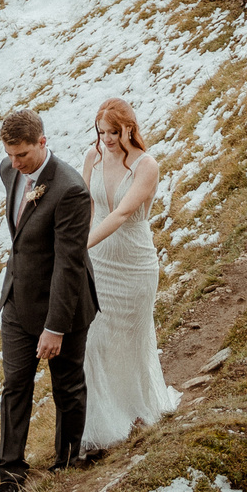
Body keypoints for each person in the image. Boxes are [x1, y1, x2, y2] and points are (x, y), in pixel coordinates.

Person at [0, 107, 99, 492]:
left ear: (43, 142)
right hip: (18, 302)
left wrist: (54, 327)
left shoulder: (70, 189)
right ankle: (10, 476)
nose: (15, 164)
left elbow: (69, 265)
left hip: (63, 305)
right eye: (10, 155)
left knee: (66, 384)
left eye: (23, 156)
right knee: (15, 385)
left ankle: (66, 464)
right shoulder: (9, 171)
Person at [79, 97, 178, 451]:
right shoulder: (92, 156)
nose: (105, 139)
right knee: (94, 341)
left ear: (129, 128)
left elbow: (120, 214)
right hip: (100, 262)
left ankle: (138, 411)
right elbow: (85, 205)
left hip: (134, 265)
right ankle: (105, 426)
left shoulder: (146, 165)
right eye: (101, 131)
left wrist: (80, 247)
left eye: (113, 132)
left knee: (133, 342)